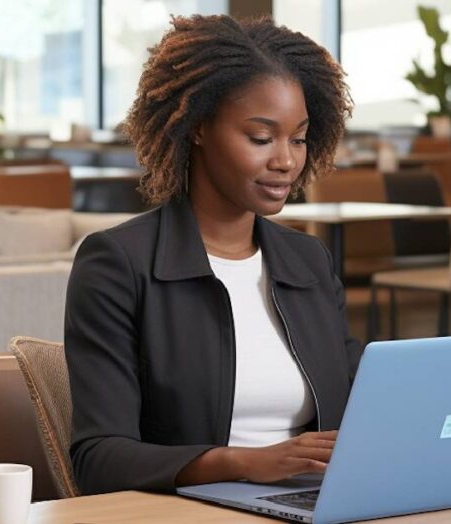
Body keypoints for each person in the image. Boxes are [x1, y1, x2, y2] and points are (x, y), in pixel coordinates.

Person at [64, 15, 359, 495]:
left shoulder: (308, 261)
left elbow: (357, 405)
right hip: (198, 507)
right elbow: (99, 458)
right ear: (198, 128)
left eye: (299, 138)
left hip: (317, 500)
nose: (285, 160)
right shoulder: (118, 264)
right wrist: (246, 463)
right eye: (261, 138)